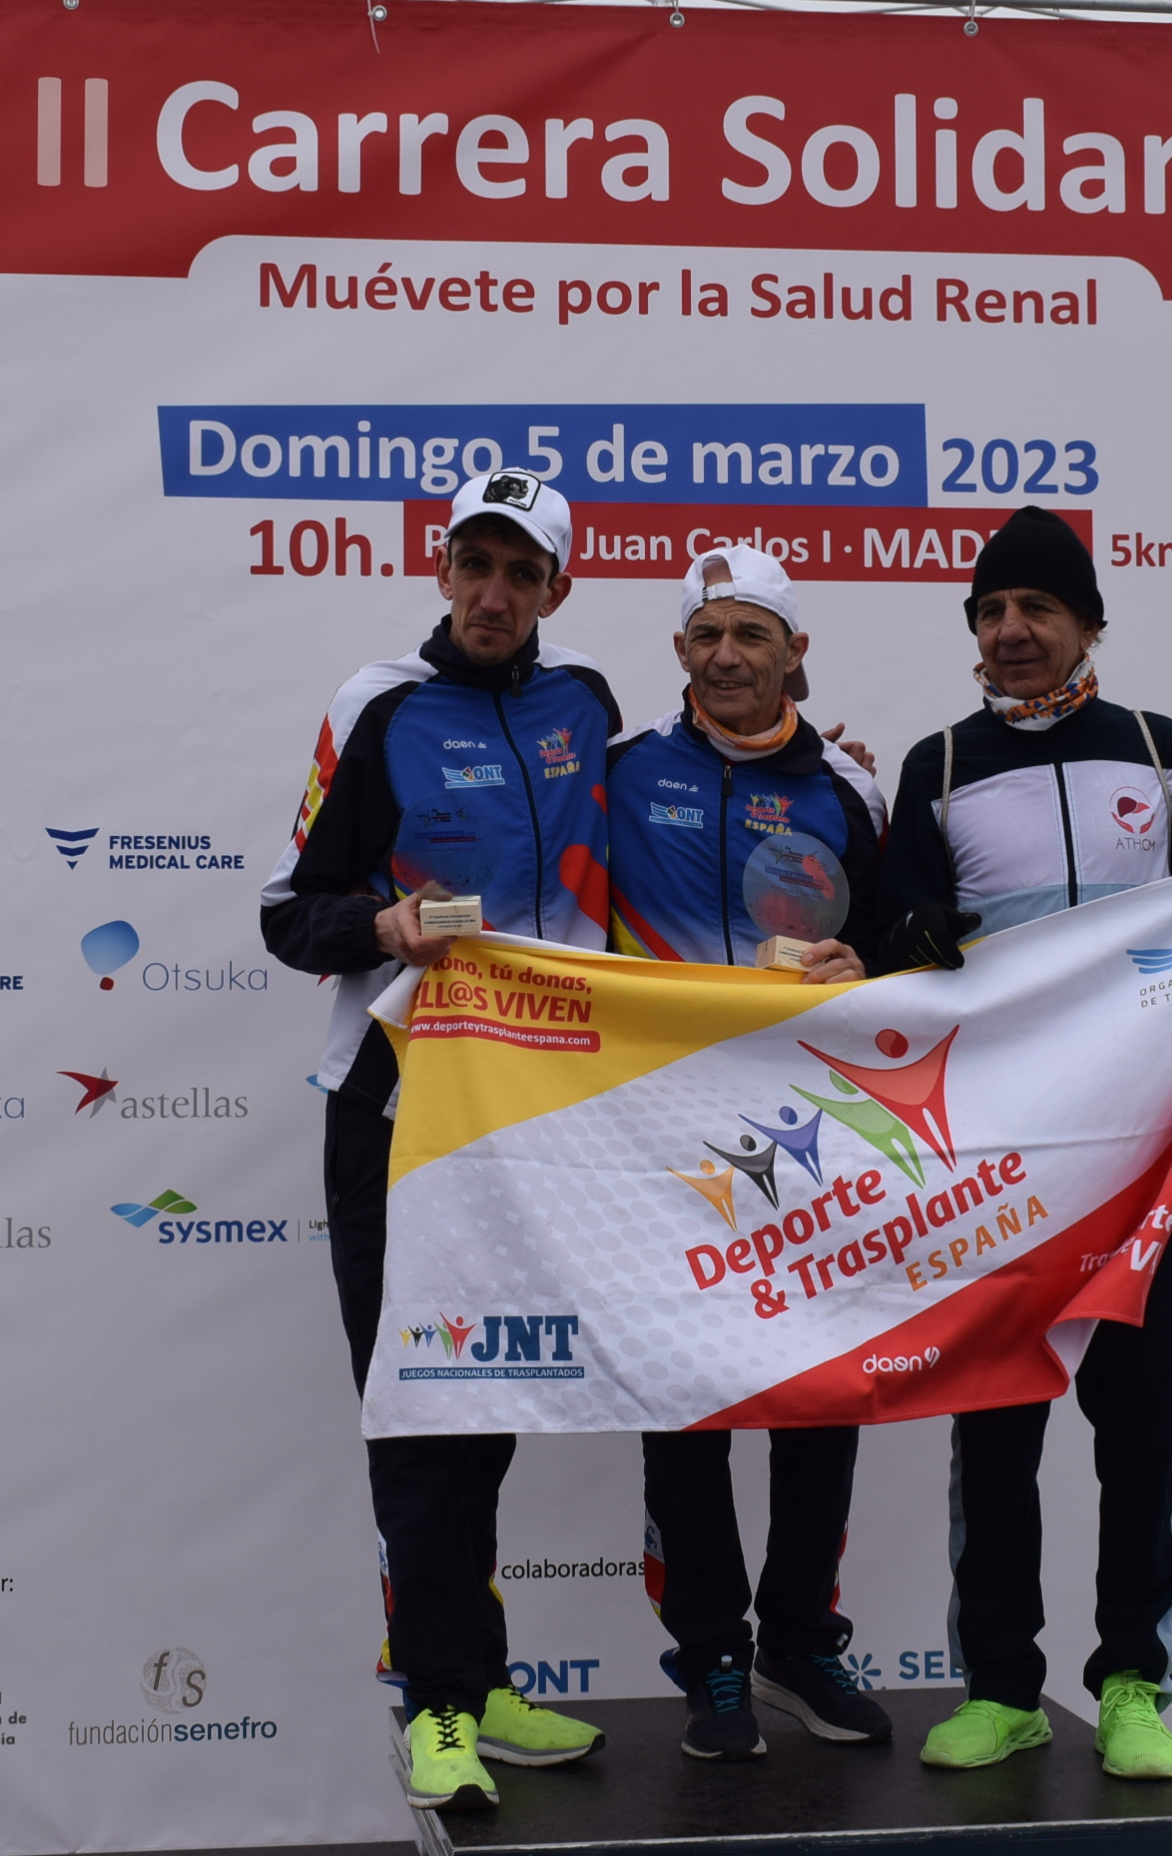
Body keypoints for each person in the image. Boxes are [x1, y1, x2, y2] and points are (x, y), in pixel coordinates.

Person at [863, 508, 1172, 1783]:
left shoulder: (1162, 751)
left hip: (1140, 1157)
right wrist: (911, 931)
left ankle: (1132, 1677)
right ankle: (999, 1687)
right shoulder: (938, 764)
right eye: (989, 611)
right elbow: (892, 937)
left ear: (1088, 622)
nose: (1010, 631)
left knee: (1135, 1428)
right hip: (997, 1161)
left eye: (1036, 607)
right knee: (994, 1429)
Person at [260, 469, 617, 1813]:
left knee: (495, 1398)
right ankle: (438, 1702)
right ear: (442, 567)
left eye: (521, 572)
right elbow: (289, 910)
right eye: (475, 563)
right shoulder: (380, 706)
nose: (492, 593)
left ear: (556, 589)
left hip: (538, 1108)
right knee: (418, 1404)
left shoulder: (589, 704)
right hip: (397, 1104)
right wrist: (381, 927)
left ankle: (479, 1676)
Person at [603, 545, 893, 1761]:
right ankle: (713, 1654)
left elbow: (902, 943)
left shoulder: (850, 788)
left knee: (819, 1392)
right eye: (706, 633)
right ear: (679, 649)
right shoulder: (617, 770)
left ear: (795, 652)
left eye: (750, 634)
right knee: (685, 1401)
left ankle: (801, 1638)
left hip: (806, 1130)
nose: (726, 656)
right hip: (657, 1130)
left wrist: (872, 957)